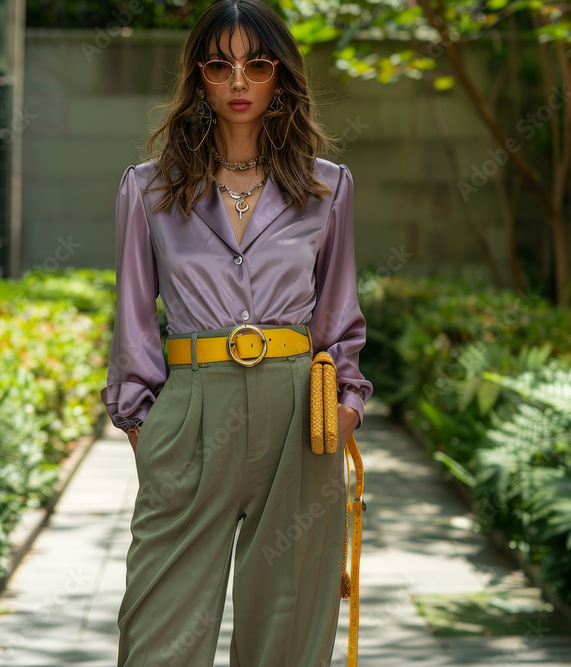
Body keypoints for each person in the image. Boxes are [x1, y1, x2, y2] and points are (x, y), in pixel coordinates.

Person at [100, 1, 373, 664]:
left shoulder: (326, 188)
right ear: (199, 77)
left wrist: (346, 409)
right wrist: (145, 429)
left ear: (282, 75)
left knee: (287, 637)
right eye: (220, 65)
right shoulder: (149, 191)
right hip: (192, 412)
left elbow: (338, 319)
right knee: (158, 639)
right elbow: (134, 319)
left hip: (296, 422)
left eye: (258, 64)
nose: (240, 81)